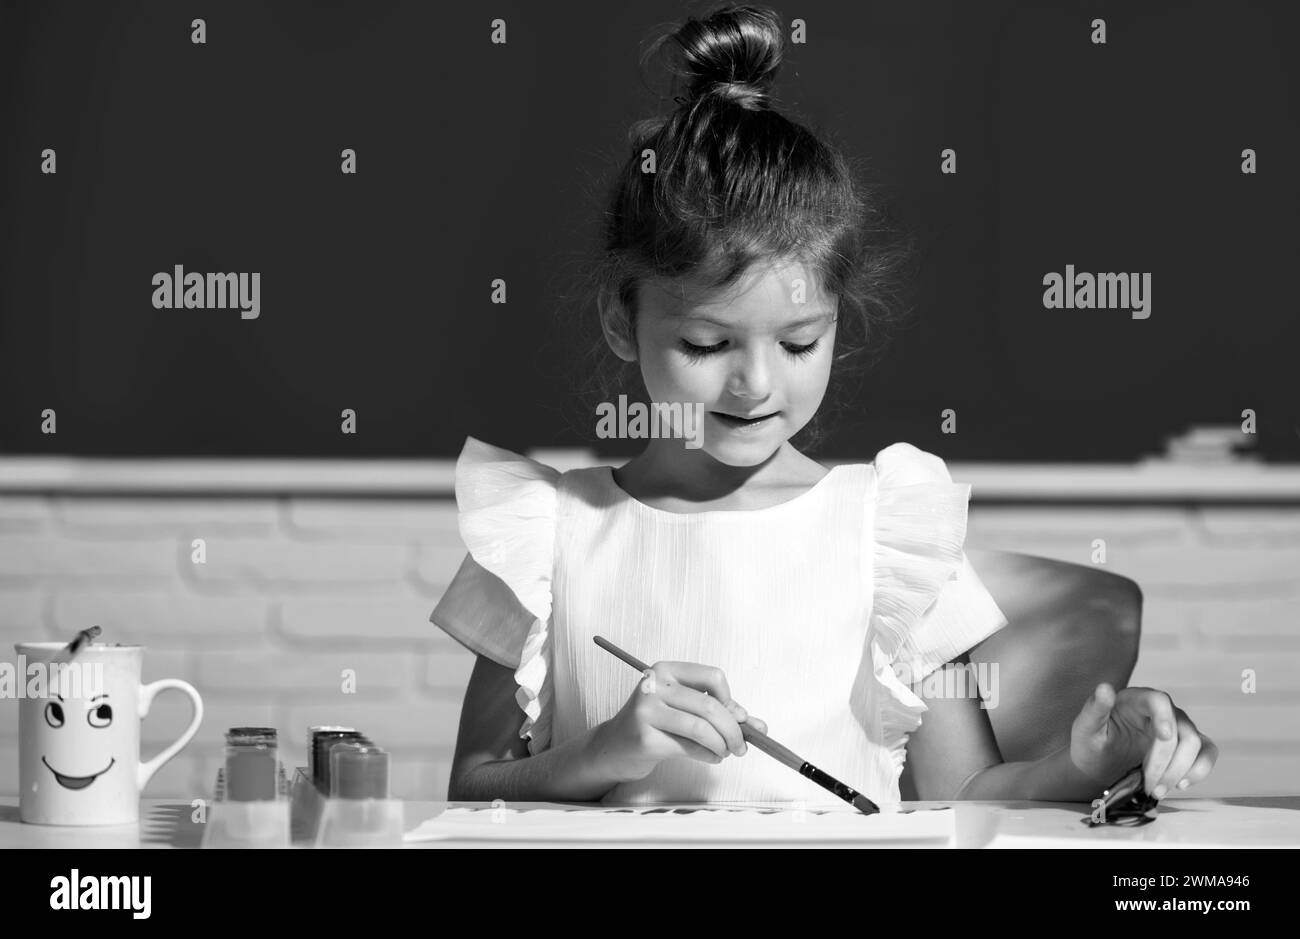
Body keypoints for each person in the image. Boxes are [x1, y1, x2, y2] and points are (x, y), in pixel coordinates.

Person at [431, 4, 1217, 809]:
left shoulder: (888, 531)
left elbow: (967, 795)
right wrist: (603, 751)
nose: (756, 386)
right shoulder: (543, 532)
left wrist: (1083, 766)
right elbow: (471, 787)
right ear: (619, 321)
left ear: (838, 318)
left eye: (800, 343)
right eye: (707, 345)